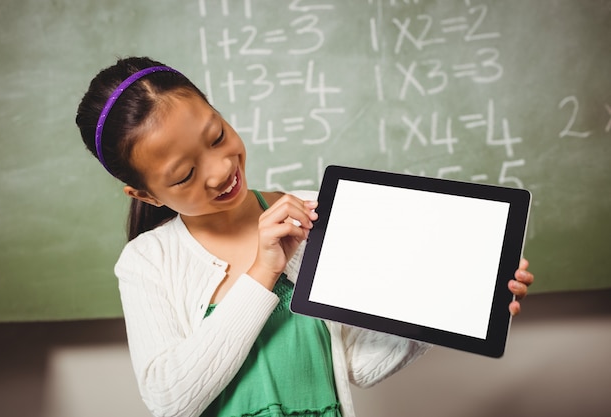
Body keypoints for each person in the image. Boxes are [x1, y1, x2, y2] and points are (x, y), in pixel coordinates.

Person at [75, 57, 534, 417]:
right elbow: (171, 400)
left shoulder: (317, 212)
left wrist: (455, 306)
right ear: (145, 194)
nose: (219, 170)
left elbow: (357, 366)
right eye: (185, 175)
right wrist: (262, 272)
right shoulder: (148, 260)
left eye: (216, 137)